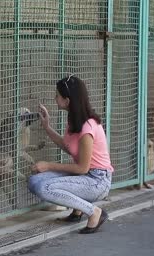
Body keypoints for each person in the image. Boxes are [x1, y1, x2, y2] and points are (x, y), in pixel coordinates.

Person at [28, 74, 113, 234]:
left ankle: (94, 212)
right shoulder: (75, 119)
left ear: (67, 101)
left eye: (57, 95)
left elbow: (82, 167)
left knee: (44, 187)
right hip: (85, 176)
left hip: (97, 180)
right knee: (34, 181)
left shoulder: (87, 127)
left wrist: (48, 165)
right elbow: (69, 147)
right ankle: (78, 210)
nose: (55, 98)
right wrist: (47, 127)